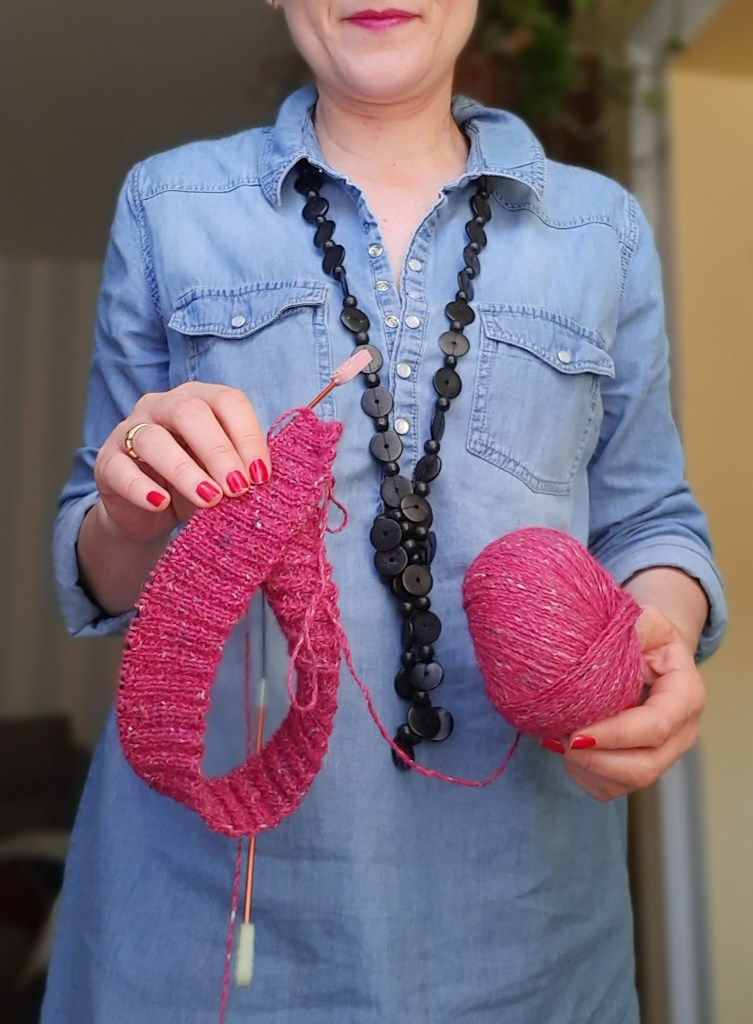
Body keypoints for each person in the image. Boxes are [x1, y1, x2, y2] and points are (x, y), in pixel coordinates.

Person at [43, 2, 726, 1022]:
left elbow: (650, 519)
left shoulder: (604, 231)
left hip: (530, 928)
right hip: (202, 923)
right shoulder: (168, 205)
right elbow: (97, 571)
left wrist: (660, 630)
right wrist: (132, 506)